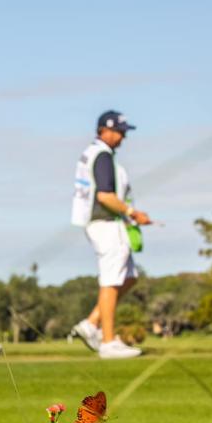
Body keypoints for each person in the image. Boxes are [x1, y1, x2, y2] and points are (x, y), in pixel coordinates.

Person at [69, 110, 153, 359]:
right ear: (104, 130)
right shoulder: (103, 155)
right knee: (111, 281)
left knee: (128, 277)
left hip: (101, 222)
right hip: (105, 223)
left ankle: (92, 323)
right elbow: (105, 195)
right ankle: (107, 342)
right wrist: (132, 212)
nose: (122, 137)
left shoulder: (95, 154)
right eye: (119, 132)